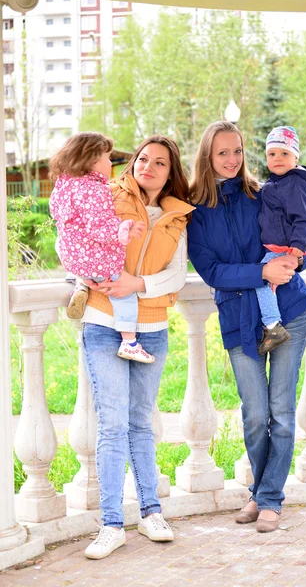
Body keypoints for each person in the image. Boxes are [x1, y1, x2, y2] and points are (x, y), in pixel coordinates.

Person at [187, 121, 306, 533]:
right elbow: (212, 271)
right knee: (254, 413)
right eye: (222, 153)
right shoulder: (196, 212)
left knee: (281, 411)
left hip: (290, 311)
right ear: (207, 157)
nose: (232, 160)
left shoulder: (264, 193)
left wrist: (296, 260)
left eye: (238, 151)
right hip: (237, 317)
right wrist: (262, 272)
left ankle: (267, 499)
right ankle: (263, 493)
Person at [81, 135, 194, 560]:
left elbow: (176, 276)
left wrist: (137, 284)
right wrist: (87, 278)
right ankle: (111, 524)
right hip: (104, 323)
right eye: (143, 158)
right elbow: (81, 242)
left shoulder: (177, 215)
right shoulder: (107, 196)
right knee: (112, 426)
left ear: (170, 172)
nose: (148, 166)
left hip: (152, 329)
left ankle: (150, 513)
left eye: (159, 162)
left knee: (141, 424)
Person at [49, 132, 154, 364]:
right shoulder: (96, 190)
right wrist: (125, 228)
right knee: (123, 293)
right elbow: (100, 228)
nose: (110, 163)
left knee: (63, 241)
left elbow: (57, 214)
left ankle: (80, 283)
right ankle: (129, 341)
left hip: (71, 256)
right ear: (91, 160)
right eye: (107, 158)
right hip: (96, 261)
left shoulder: (64, 185)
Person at [256, 125, 306, 354]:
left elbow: (304, 219)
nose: (277, 159)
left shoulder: (295, 183)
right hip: (282, 245)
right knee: (285, 279)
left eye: (284, 154)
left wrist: (297, 248)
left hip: (286, 247)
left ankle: (273, 325)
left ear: (296, 157)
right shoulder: (278, 182)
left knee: (262, 280)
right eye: (272, 154)